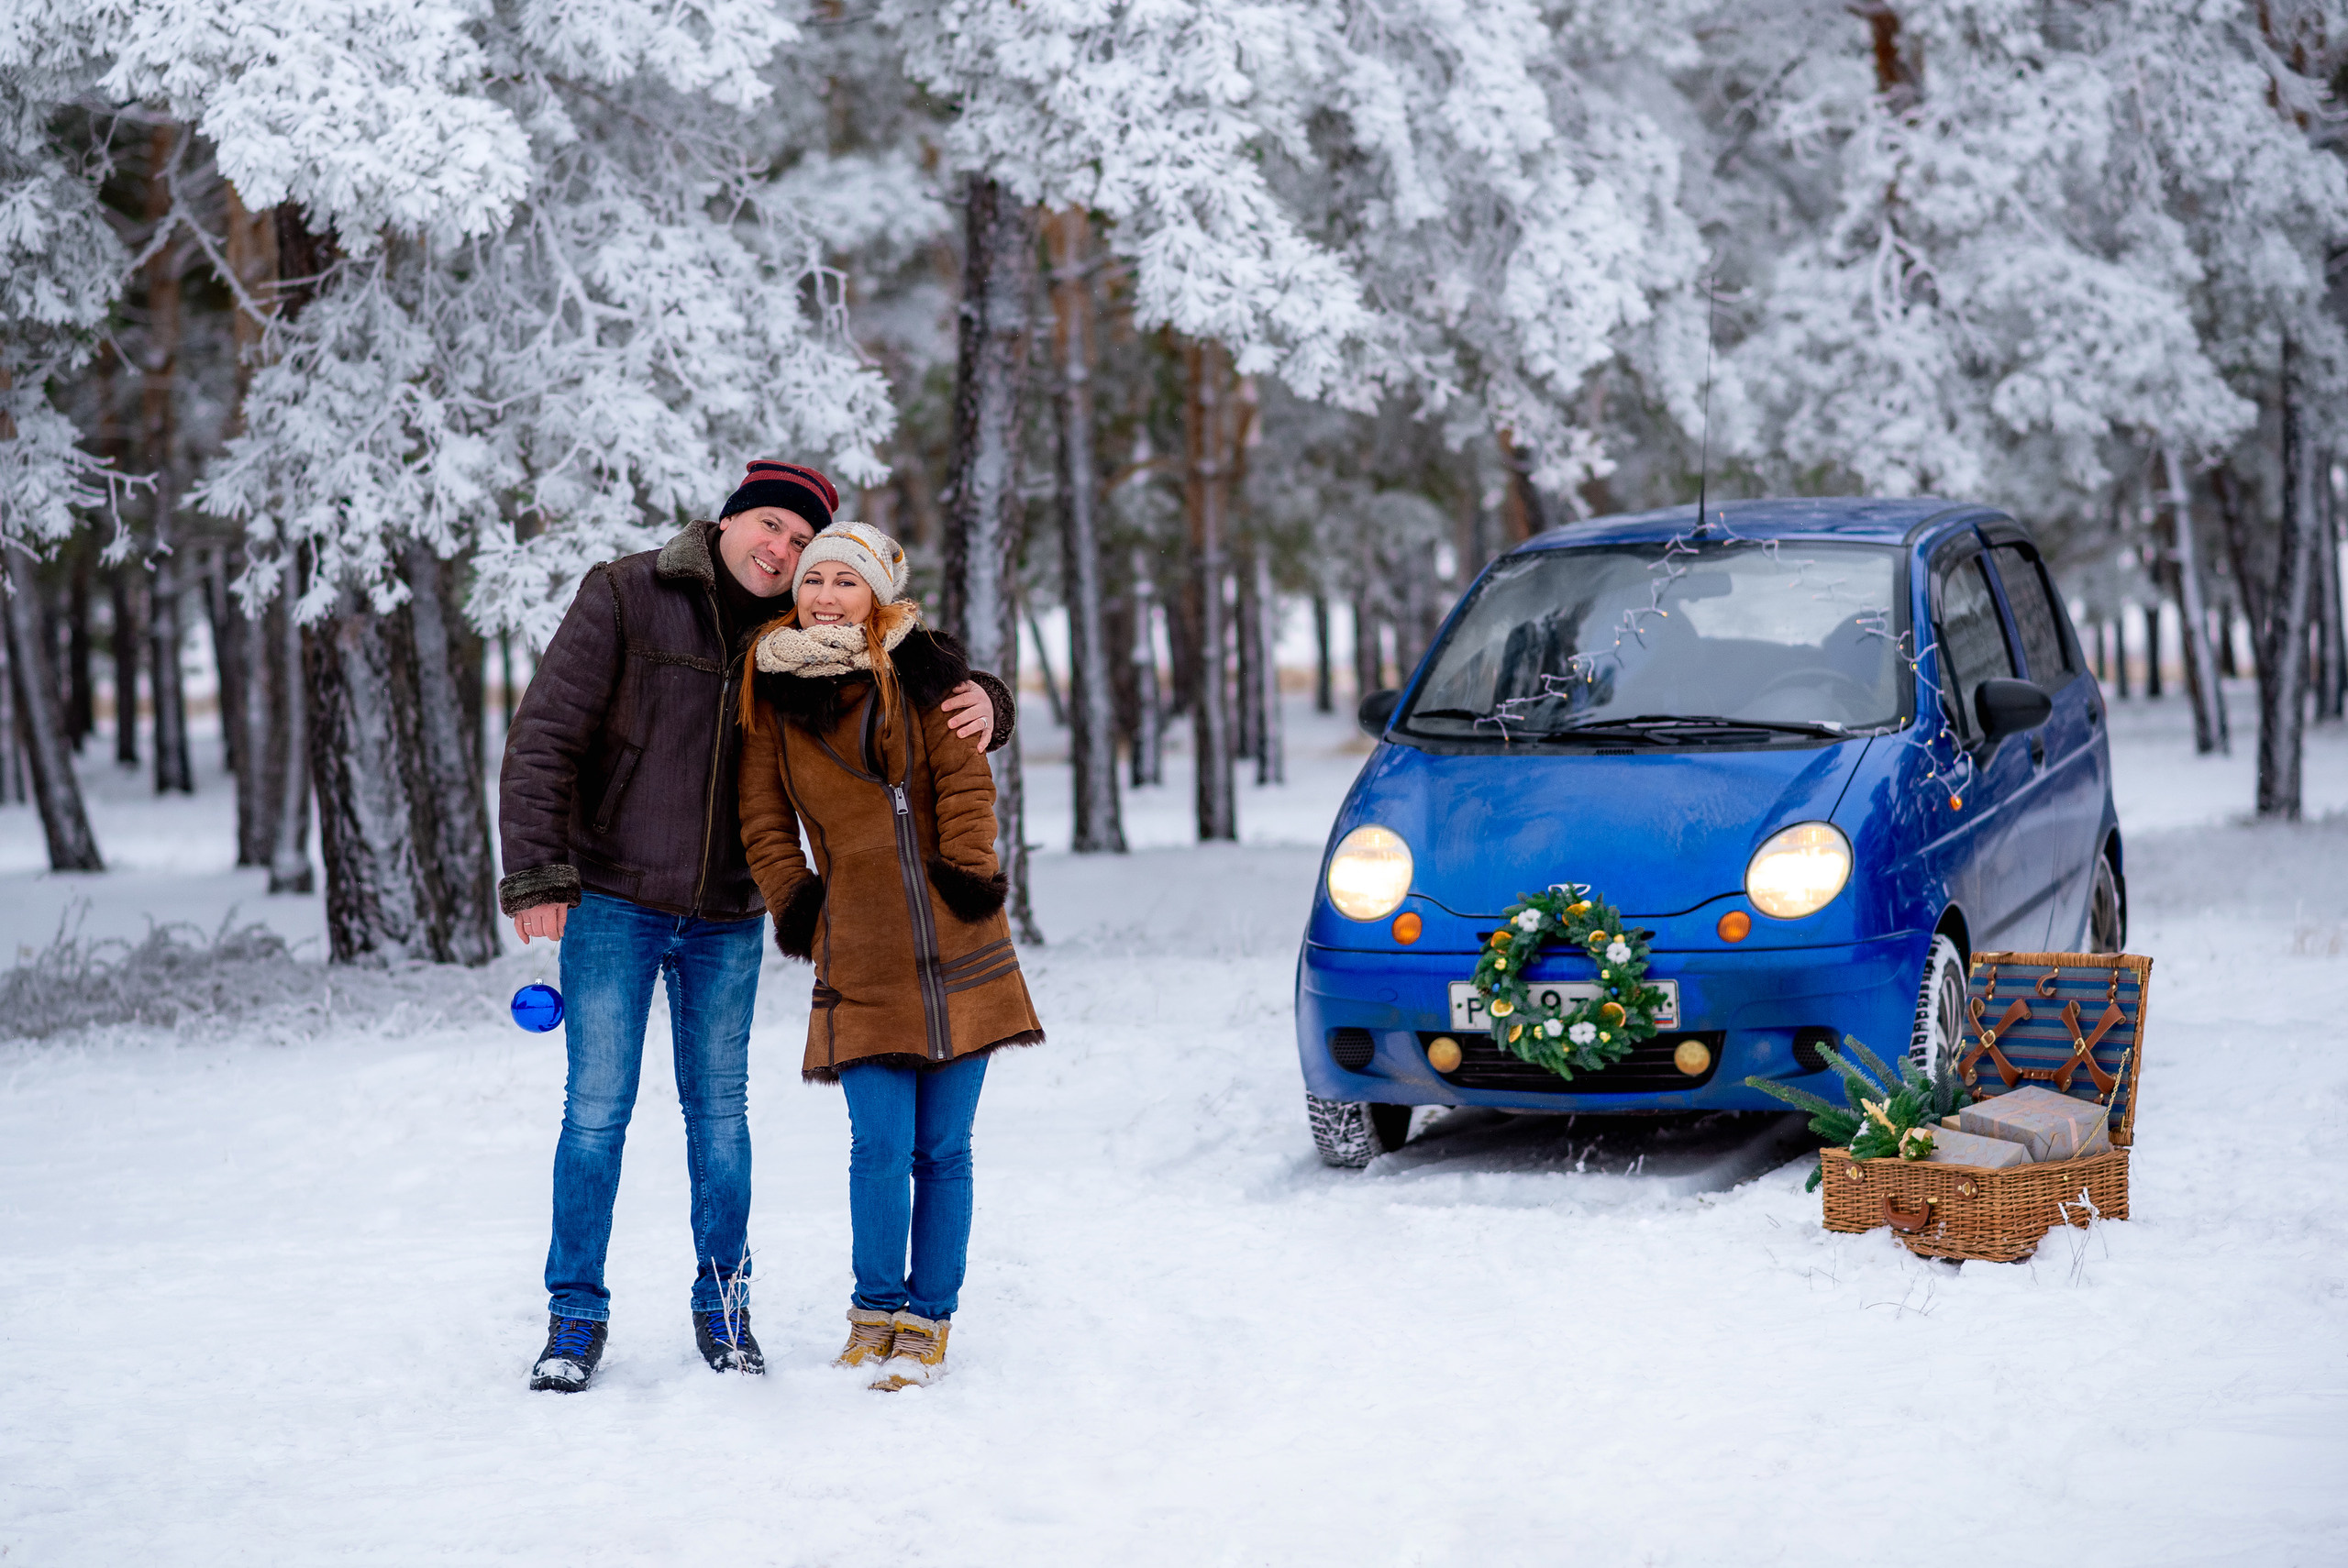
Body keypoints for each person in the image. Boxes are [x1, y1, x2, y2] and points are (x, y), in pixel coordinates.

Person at [498, 462, 1015, 1394]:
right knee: (595, 1114)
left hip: (726, 917)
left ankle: (725, 1309)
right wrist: (538, 867)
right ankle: (574, 1318)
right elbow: (546, 734)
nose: (779, 553)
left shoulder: (793, 635)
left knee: (721, 1119)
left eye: (799, 544)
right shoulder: (627, 591)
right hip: (614, 897)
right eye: (767, 529)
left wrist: (991, 697)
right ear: (729, 521)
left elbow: (900, 665)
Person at [737, 522, 1042, 1392]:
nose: (825, 594)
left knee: (944, 1148)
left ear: (877, 593)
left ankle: (930, 1319)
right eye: (813, 578)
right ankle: (875, 1311)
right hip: (860, 949)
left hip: (958, 942)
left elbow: (966, 776)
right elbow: (763, 820)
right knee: (878, 1146)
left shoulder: (925, 665)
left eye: (846, 580)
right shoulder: (769, 688)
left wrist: (971, 878)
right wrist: (802, 906)